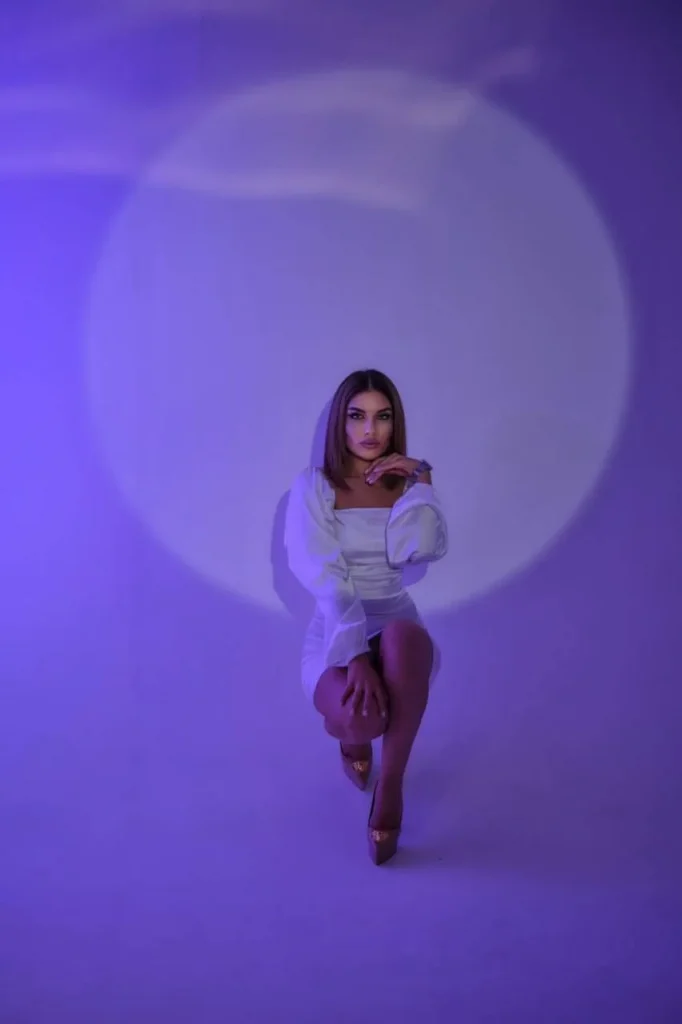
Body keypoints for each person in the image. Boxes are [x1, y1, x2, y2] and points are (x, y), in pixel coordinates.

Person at [284, 369, 448, 865]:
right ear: (340, 422)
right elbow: (325, 577)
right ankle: (353, 741)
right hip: (336, 629)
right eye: (357, 416)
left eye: (383, 417)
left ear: (395, 423)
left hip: (396, 623)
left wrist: (421, 479)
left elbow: (420, 552)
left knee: (404, 637)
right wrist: (355, 655)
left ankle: (390, 786)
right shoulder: (315, 487)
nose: (370, 430)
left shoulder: (405, 487)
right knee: (361, 716)